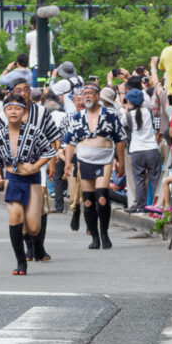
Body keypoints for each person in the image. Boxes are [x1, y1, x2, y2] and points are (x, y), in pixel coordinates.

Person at [0, 93, 57, 275]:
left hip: (32, 179)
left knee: (34, 227)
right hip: (12, 178)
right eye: (9, 108)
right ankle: (21, 263)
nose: (13, 112)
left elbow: (49, 152)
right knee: (15, 219)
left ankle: (36, 247)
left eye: (17, 108)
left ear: (24, 111)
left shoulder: (33, 130)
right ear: (4, 111)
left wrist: (35, 166)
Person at [63, 83, 127, 249]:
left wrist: (121, 162)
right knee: (89, 201)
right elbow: (70, 142)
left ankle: (104, 233)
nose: (87, 96)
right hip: (84, 160)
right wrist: (68, 162)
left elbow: (119, 140)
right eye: (85, 94)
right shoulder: (77, 118)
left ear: (98, 95)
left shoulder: (110, 115)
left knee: (102, 197)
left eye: (90, 93)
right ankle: (94, 236)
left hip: (104, 159)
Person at [123, 88, 162, 214]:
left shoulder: (128, 115)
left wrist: (126, 110)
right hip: (151, 148)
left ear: (130, 101)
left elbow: (122, 124)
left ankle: (141, 206)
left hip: (137, 151)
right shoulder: (148, 110)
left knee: (139, 180)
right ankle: (157, 206)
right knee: (155, 178)